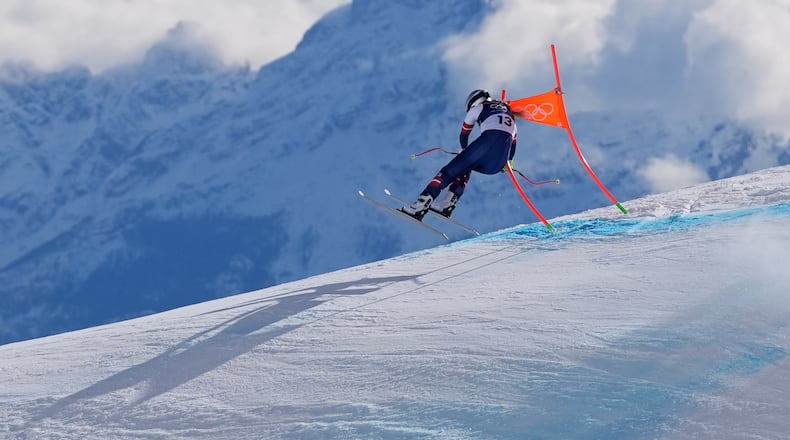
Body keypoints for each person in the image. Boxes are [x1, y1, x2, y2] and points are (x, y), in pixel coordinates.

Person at [401, 89, 518, 220]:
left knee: (448, 173)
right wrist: (508, 164)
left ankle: (420, 205)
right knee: (466, 167)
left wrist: (464, 150)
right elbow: (512, 145)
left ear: (474, 102)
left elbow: (464, 134)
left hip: (485, 145)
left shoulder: (479, 108)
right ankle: (448, 203)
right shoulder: (510, 114)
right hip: (496, 165)